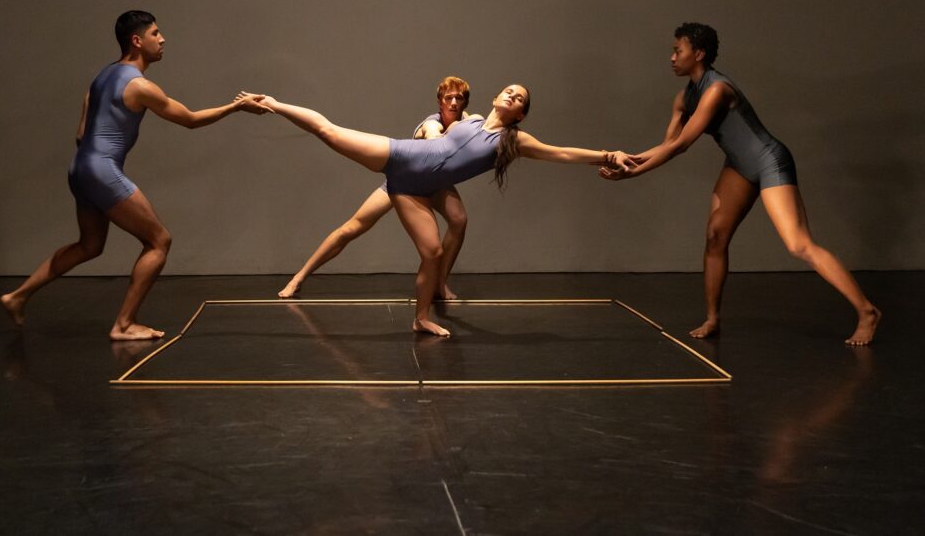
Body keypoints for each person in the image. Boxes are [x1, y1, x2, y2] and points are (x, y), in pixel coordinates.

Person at [252, 84, 631, 337]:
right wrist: (431, 128)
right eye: (509, 90)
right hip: (401, 157)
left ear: (521, 115)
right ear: (498, 96)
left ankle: (421, 319)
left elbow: (561, 152)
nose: (512, 95)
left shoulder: (512, 140)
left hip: (417, 190)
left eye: (519, 99)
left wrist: (606, 155)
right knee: (329, 131)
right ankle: (272, 103)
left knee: (431, 253)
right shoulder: (470, 119)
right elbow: (435, 124)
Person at [599, 22, 880, 345]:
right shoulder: (683, 98)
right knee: (715, 235)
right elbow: (666, 145)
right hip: (740, 166)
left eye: (678, 50)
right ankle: (713, 319)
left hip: (769, 160)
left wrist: (632, 172)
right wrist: (628, 159)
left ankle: (867, 311)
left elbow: (681, 146)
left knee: (798, 245)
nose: (672, 57)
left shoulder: (717, 89)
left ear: (698, 53)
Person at [0, 11, 267, 340]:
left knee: (90, 245)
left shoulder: (102, 77)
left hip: (81, 168)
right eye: (156, 33)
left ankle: (17, 296)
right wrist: (236, 107)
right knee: (159, 241)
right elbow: (191, 120)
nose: (163, 38)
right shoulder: (140, 86)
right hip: (101, 171)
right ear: (137, 41)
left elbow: (82, 134)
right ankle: (124, 324)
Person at [278, 76, 472, 300]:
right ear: (440, 102)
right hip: (405, 182)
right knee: (352, 228)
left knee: (459, 220)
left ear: (465, 102)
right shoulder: (432, 123)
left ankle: (439, 284)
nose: (454, 102)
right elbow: (432, 134)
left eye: (459, 98)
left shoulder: (466, 121)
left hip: (435, 184)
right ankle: (298, 278)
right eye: (449, 98)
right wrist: (444, 137)